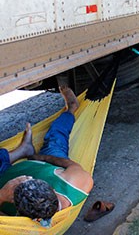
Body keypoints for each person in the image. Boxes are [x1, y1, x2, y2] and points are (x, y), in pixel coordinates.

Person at [0, 86, 93, 224]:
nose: (22, 178)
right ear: (52, 190)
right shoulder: (78, 182)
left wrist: (2, 195)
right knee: (56, 138)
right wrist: (41, 158)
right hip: (46, 163)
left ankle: (22, 151)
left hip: (3, 174)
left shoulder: (20, 226)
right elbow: (68, 164)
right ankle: (72, 108)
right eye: (31, 179)